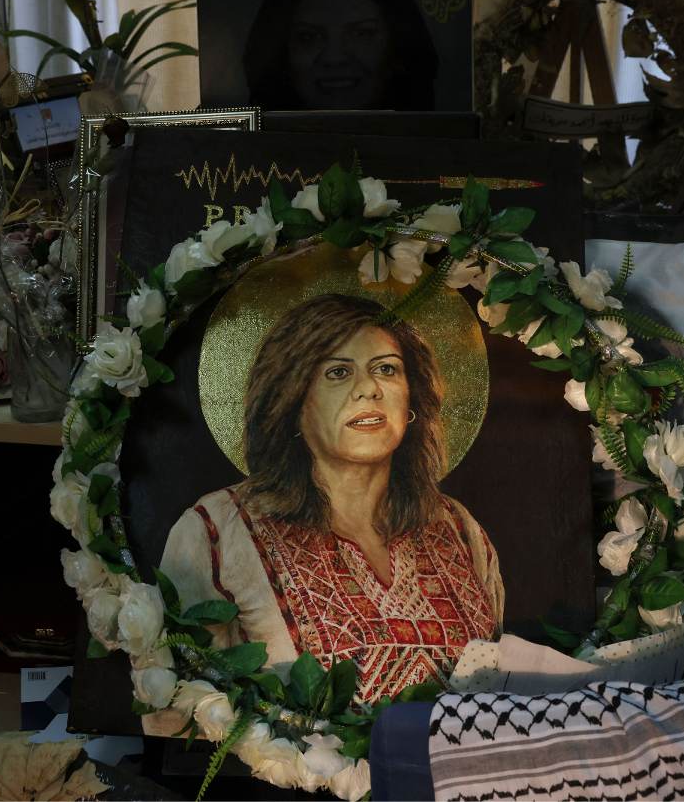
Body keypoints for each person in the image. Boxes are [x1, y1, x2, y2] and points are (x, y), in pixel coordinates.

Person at [160, 293, 503, 702]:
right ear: (294, 401)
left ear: (411, 398)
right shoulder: (216, 531)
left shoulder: (458, 528)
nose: (369, 390)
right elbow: (183, 713)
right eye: (338, 373)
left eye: (387, 370)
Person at [242, 0, 439, 111]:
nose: (334, 58)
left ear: (397, 44)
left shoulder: (437, 151)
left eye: (362, 34)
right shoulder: (246, 153)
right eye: (308, 37)